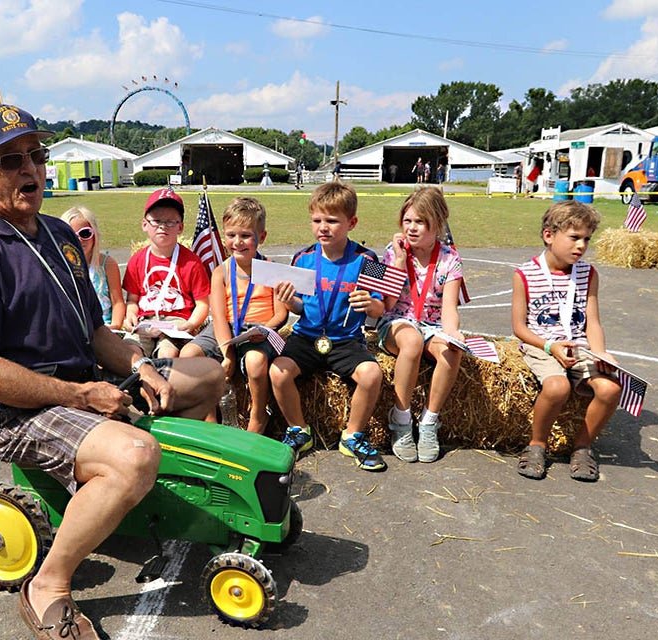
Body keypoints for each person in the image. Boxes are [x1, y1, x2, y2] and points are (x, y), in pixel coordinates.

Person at [0, 104, 222, 639]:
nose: (30, 170)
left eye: (37, 157)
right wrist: (83, 396)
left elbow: (96, 333)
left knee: (207, 375)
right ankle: (49, 584)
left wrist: (139, 364)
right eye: (11, 159)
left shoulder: (60, 234)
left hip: (84, 382)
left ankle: (130, 496)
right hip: (18, 409)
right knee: (136, 454)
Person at [269, 181, 388, 471]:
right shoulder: (303, 257)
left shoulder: (368, 259)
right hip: (307, 337)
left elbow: (380, 307)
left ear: (352, 222)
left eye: (332, 221)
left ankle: (353, 435)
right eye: (317, 220)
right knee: (277, 371)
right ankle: (299, 430)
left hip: (346, 340)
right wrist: (288, 301)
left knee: (372, 374)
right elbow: (299, 307)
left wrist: (368, 304)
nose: (323, 227)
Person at [511, 200, 622, 482]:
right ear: (549, 235)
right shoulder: (525, 273)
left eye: (587, 239)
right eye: (574, 238)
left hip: (580, 347)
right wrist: (550, 347)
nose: (581, 246)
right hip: (542, 346)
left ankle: (582, 446)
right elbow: (519, 327)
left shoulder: (588, 273)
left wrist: (600, 353)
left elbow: (592, 321)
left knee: (610, 389)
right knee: (557, 386)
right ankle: (537, 445)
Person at [180, 196, 288, 433]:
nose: (237, 242)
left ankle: (258, 415)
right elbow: (218, 317)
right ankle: (209, 415)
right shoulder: (221, 272)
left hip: (259, 329)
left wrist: (265, 329)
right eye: (231, 235)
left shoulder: (271, 269)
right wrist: (227, 353)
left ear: (262, 237)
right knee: (188, 354)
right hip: (226, 329)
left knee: (255, 360)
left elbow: (281, 314)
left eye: (245, 236)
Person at [378, 187, 464, 463]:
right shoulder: (392, 252)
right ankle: (401, 418)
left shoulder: (450, 258)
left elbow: (449, 308)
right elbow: (387, 304)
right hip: (396, 322)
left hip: (433, 326)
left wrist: (453, 334)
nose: (412, 229)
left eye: (420, 222)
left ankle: (429, 421)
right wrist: (400, 263)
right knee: (412, 340)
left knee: (452, 350)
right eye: (407, 221)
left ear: (437, 225)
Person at [122, 188, 210, 358]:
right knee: (131, 354)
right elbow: (132, 300)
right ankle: (141, 384)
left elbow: (203, 304)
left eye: (170, 222)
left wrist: (191, 324)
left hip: (177, 322)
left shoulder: (191, 262)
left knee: (167, 355)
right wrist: (131, 315)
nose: (163, 227)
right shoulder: (137, 260)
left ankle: (164, 383)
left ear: (180, 227)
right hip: (145, 322)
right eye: (156, 221)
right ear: (145, 224)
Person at [60, 205, 125, 329]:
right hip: (74, 330)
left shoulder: (107, 264)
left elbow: (118, 302)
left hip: (105, 328)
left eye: (85, 233)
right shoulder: (58, 266)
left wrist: (115, 326)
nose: (79, 239)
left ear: (94, 234)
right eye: (71, 235)